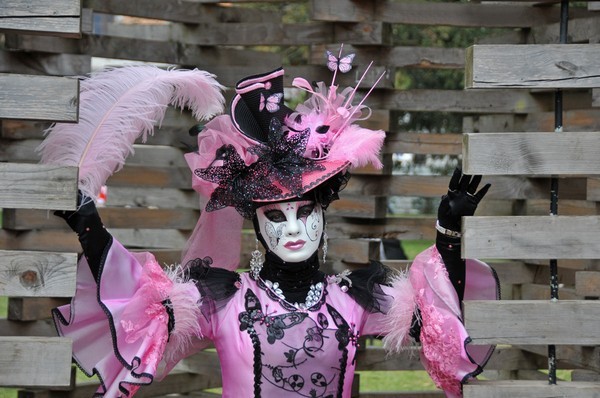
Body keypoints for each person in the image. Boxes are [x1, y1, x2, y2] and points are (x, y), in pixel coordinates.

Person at [51, 61, 498, 398]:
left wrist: (448, 235)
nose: (293, 229)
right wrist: (89, 226)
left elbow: (443, 326)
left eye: (304, 212)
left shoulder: (354, 297)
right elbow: (137, 305)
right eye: (275, 217)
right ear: (258, 227)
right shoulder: (221, 299)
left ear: (323, 214)